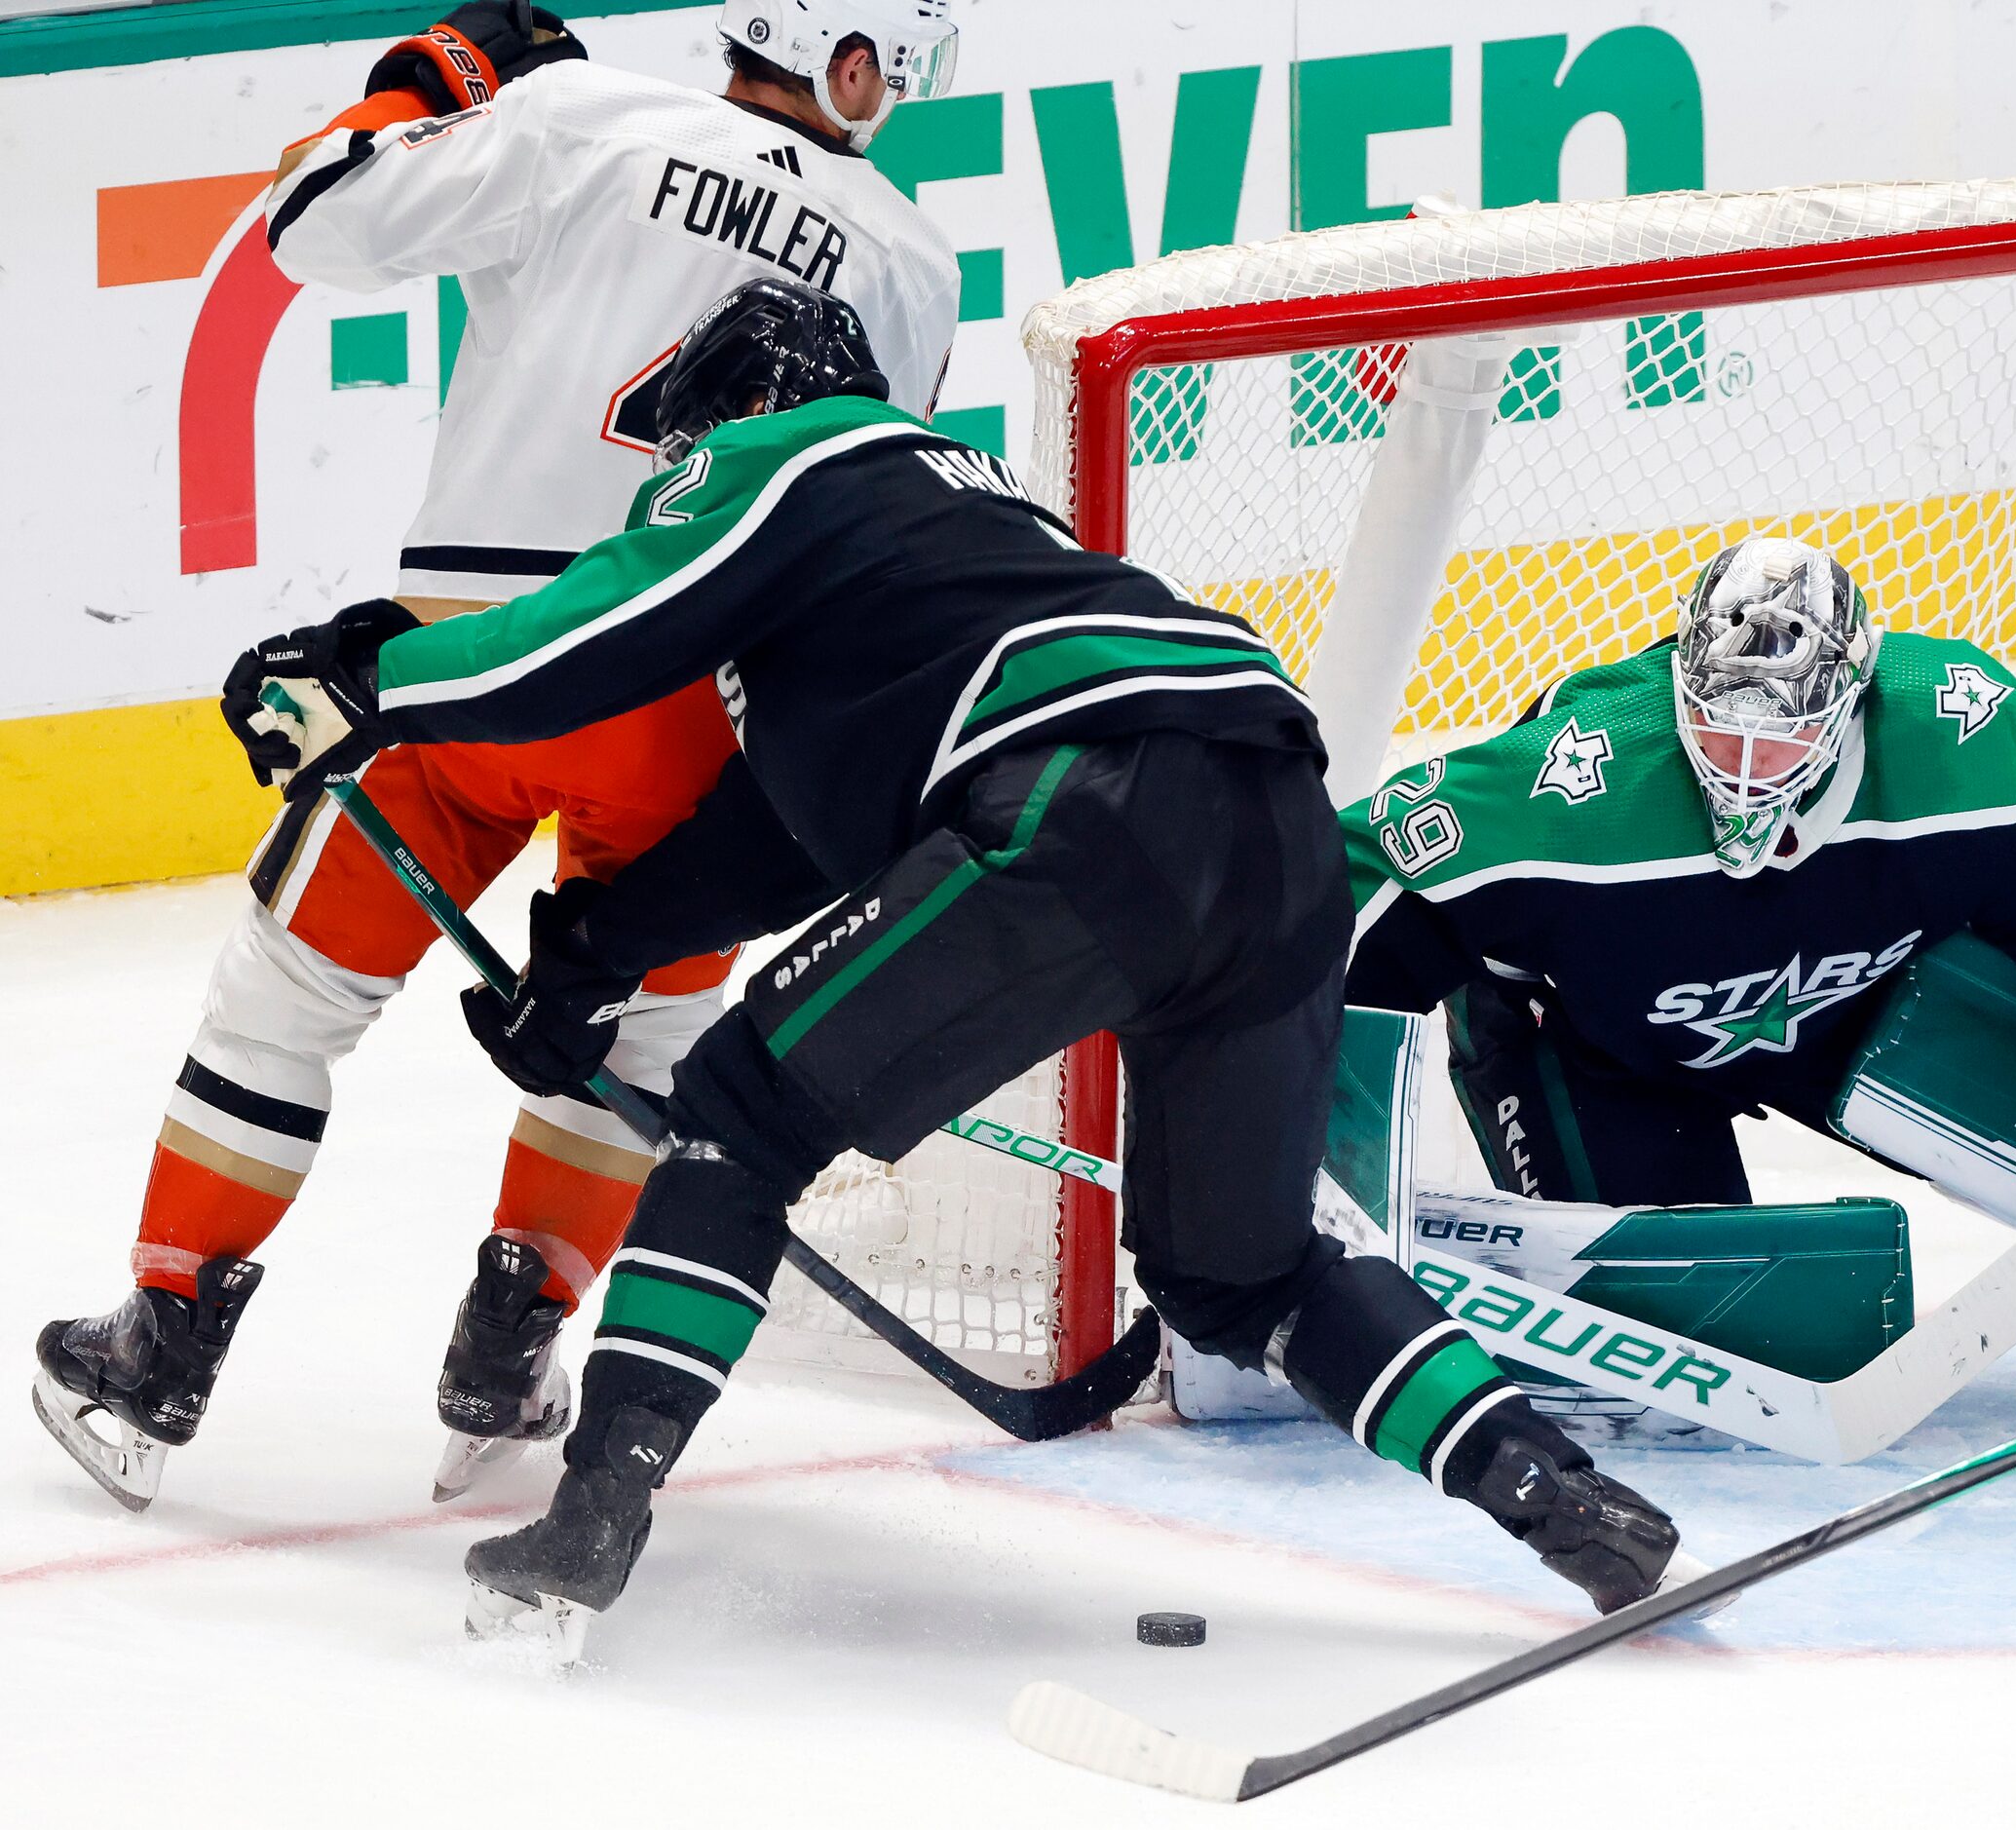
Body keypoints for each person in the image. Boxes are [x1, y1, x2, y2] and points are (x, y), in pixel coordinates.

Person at [223, 280, 1697, 1640]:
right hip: (1277, 828)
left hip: (1091, 802)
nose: (667, 490)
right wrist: (591, 960)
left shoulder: (795, 451)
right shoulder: (942, 535)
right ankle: (1555, 1492)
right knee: (1242, 1274)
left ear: (741, 401)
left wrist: (368, 677)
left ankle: (591, 1516)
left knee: (736, 1124)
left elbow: (581, 636)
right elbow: (785, 839)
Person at [30, 0, 965, 1511]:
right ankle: (511, 1344)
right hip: (689, 697)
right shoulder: (913, 259)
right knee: (629, 1047)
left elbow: (314, 223)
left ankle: (163, 1344)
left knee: (287, 998)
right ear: (851, 59)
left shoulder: (586, 119)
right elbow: (852, 513)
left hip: (469, 670)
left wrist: (435, 76)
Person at [1342, 535, 2016, 1260]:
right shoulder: (1575, 783)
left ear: (1854, 696)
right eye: (1719, 727)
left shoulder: (1969, 729)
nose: (1743, 765)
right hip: (1599, 1045)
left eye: (1780, 735)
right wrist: (1259, 1101)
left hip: (1855, 1010)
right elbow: (1345, 884)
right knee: (1693, 1317)